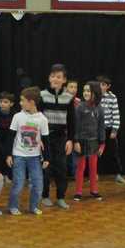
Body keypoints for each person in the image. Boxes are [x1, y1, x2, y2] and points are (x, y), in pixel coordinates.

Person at [7, 86, 50, 216]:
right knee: (18, 183)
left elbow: (46, 140)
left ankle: (33, 206)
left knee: (37, 184)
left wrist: (47, 158)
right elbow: (10, 137)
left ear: (31, 102)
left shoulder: (42, 119)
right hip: (18, 156)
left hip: (35, 157)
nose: (20, 103)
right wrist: (8, 155)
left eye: (23, 100)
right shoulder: (17, 117)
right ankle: (13, 206)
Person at [40, 63, 74, 209]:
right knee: (46, 169)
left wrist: (71, 140)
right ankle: (45, 195)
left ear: (64, 80)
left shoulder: (69, 97)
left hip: (61, 138)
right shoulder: (42, 95)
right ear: (49, 78)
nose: (55, 79)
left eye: (59, 77)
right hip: (45, 138)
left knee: (61, 168)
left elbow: (72, 121)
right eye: (53, 76)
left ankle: (60, 197)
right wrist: (38, 138)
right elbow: (37, 118)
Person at [73, 81, 106, 202]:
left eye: (88, 91)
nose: (85, 93)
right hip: (81, 142)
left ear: (95, 93)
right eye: (84, 91)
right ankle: (78, 191)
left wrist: (102, 143)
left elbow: (101, 127)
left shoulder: (100, 109)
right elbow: (76, 126)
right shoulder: (80, 107)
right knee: (80, 167)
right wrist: (76, 141)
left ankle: (94, 190)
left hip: (94, 142)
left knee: (93, 167)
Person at [98, 75, 125, 184]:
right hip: (96, 130)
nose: (101, 86)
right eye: (99, 84)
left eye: (103, 85)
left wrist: (114, 130)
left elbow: (116, 115)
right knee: (95, 153)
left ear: (108, 86)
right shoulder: (94, 96)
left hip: (108, 129)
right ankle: (94, 174)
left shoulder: (112, 97)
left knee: (114, 153)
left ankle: (118, 174)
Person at [0, 91, 16, 181]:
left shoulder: (15, 115)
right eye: (1, 102)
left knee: (9, 156)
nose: (2, 104)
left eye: (5, 102)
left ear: (11, 104)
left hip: (10, 139)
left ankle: (8, 175)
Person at [65, 80, 80, 179]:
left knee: (75, 157)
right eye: (71, 87)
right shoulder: (62, 100)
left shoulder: (79, 102)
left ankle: (76, 175)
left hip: (76, 133)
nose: (73, 89)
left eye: (75, 87)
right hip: (64, 132)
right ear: (66, 88)